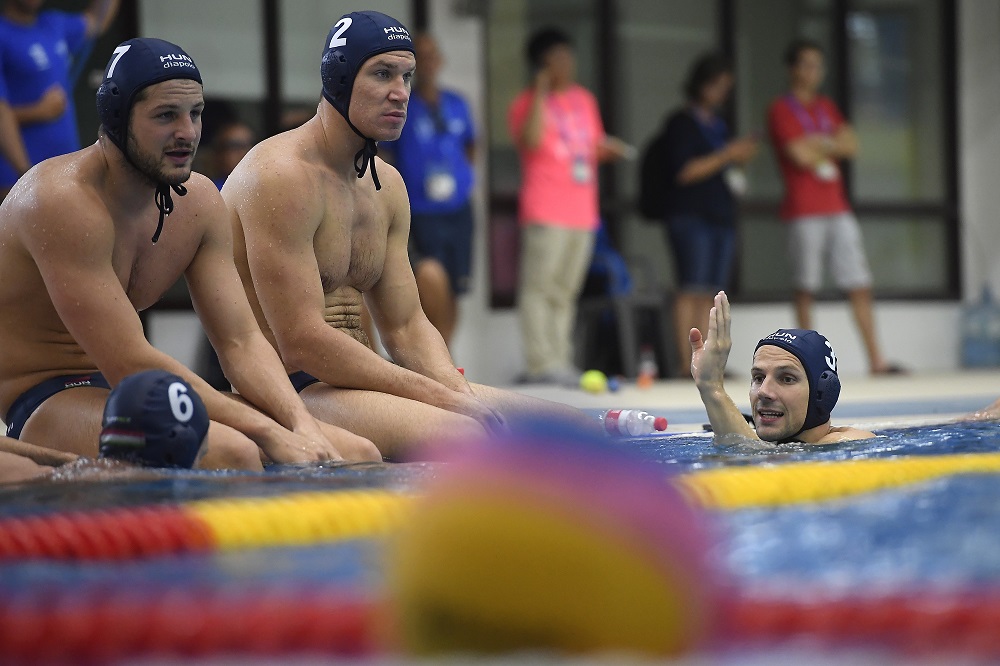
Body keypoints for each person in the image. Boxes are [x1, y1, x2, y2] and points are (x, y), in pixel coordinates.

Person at [224, 11, 594, 460]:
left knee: (573, 429)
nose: (401, 92)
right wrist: (440, 400)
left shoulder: (386, 186)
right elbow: (301, 342)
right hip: (294, 390)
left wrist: (457, 392)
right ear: (339, 79)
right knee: (467, 437)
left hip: (359, 384)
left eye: (406, 76)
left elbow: (406, 326)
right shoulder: (281, 176)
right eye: (382, 74)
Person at [0, 37, 379, 471]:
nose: (187, 133)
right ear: (117, 117)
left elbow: (240, 341)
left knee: (356, 452)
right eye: (166, 115)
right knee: (235, 451)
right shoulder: (61, 201)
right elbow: (129, 361)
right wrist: (269, 432)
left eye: (195, 113)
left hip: (136, 392)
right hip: (48, 396)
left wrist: (300, 423)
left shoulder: (197, 202)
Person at [508, 27, 631, 386]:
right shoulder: (525, 103)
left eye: (568, 55)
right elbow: (531, 139)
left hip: (582, 210)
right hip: (545, 209)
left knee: (566, 291)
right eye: (558, 57)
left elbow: (589, 145)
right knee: (539, 288)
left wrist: (605, 151)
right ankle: (539, 363)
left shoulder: (584, 100)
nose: (567, 63)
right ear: (541, 64)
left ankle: (559, 360)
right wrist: (540, 89)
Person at [768, 39, 900, 376]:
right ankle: (805, 363)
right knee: (806, 286)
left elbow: (851, 145)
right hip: (803, 209)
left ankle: (877, 360)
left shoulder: (826, 106)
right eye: (807, 64)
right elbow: (799, 155)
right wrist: (830, 143)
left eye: (818, 65)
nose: (814, 72)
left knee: (859, 280)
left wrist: (818, 143)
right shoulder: (782, 109)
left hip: (837, 206)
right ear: (792, 69)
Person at [661, 53, 758, 378]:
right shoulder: (681, 123)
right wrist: (727, 154)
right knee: (691, 287)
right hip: (691, 215)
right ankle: (684, 363)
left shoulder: (718, 124)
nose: (722, 94)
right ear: (702, 84)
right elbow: (686, 171)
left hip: (721, 214)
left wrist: (736, 157)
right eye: (717, 86)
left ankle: (705, 363)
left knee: (711, 292)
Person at [379, 33, 476, 348]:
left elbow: (471, 146)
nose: (429, 62)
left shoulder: (457, 103)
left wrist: (461, 179)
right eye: (422, 56)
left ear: (441, 60)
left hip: (457, 208)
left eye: (433, 55)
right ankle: (430, 351)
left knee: (456, 286)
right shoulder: (402, 104)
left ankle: (447, 352)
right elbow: (387, 153)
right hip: (420, 209)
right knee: (429, 279)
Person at [691, 291, 875, 445]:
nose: (764, 392)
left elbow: (758, 459)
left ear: (824, 393)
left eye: (786, 379)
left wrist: (711, 387)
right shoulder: (763, 442)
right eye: (759, 378)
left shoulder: (852, 444)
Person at [0, 0, 120, 201]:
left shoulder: (53, 23)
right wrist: (38, 111)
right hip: (16, 175)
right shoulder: (3, 34)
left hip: (64, 170)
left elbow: (97, 21)